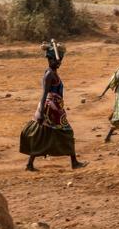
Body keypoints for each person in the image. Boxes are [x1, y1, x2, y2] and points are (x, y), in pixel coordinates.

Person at [19, 41, 87, 171]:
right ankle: (74, 162)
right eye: (56, 60)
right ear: (49, 59)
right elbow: (44, 93)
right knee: (67, 132)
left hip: (55, 107)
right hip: (52, 109)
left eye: (60, 60)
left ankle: (29, 164)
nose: (59, 63)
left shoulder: (53, 72)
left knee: (43, 134)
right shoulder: (49, 74)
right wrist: (41, 111)